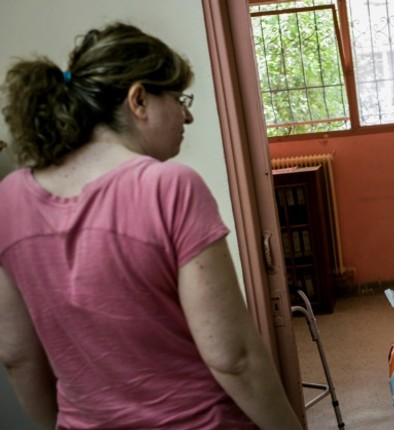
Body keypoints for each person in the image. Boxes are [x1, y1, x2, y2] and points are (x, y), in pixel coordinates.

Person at [0, 22, 302, 430]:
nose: (188, 114)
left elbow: (17, 355)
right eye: (178, 97)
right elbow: (235, 358)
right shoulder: (169, 187)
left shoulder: (10, 198)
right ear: (138, 99)